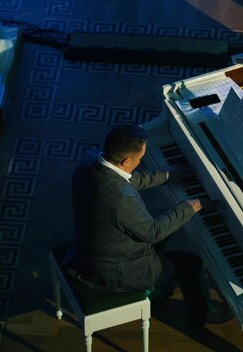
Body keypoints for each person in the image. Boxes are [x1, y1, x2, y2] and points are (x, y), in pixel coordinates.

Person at [64, 123, 230, 326]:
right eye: (139, 159)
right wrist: (190, 207)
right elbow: (153, 232)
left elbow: (128, 180)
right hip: (114, 272)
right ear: (126, 161)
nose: (140, 162)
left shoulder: (90, 162)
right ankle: (203, 314)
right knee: (190, 263)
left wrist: (168, 176)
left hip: (95, 249)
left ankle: (159, 287)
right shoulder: (121, 198)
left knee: (167, 227)